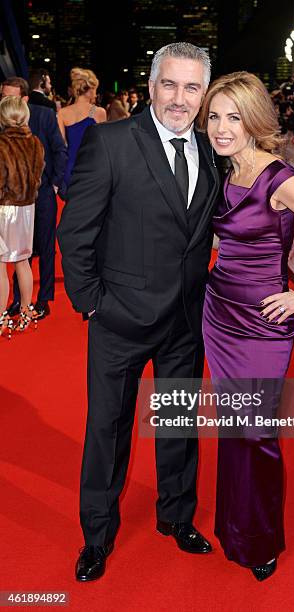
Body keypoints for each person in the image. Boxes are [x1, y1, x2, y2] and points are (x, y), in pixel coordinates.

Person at [57, 42, 220, 582]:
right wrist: (91, 305)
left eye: (192, 87)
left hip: (185, 321)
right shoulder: (110, 141)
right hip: (119, 319)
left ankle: (176, 517)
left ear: (203, 93)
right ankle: (96, 537)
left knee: (178, 425)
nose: (179, 98)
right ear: (150, 87)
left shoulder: (212, 148)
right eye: (169, 84)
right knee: (108, 430)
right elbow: (75, 231)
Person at [198, 71, 294, 581]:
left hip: (262, 324)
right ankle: (234, 526)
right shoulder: (226, 170)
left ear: (255, 121)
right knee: (233, 428)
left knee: (256, 432)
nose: (222, 128)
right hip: (219, 313)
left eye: (234, 117)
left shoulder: (278, 178)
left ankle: (260, 538)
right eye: (216, 117)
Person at [1, 77, 67, 320]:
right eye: (3, 97)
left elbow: (60, 150)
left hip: (43, 193)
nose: (6, 102)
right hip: (10, 201)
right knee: (20, 253)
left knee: (46, 247)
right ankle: (20, 301)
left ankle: (44, 299)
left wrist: (55, 183)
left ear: (25, 99)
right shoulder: (1, 118)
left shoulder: (44, 116)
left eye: (12, 97)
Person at [0, 96, 45, 337]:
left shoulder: (1, 144)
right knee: (22, 262)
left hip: (4, 209)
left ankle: (0, 318)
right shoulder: (36, 142)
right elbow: (37, 177)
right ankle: (27, 312)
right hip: (28, 210)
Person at [57, 69, 106, 191]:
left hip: (70, 170)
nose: (96, 94)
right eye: (95, 89)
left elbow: (61, 146)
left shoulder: (62, 113)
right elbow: (105, 146)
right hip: (93, 169)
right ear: (89, 90)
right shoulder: (98, 112)